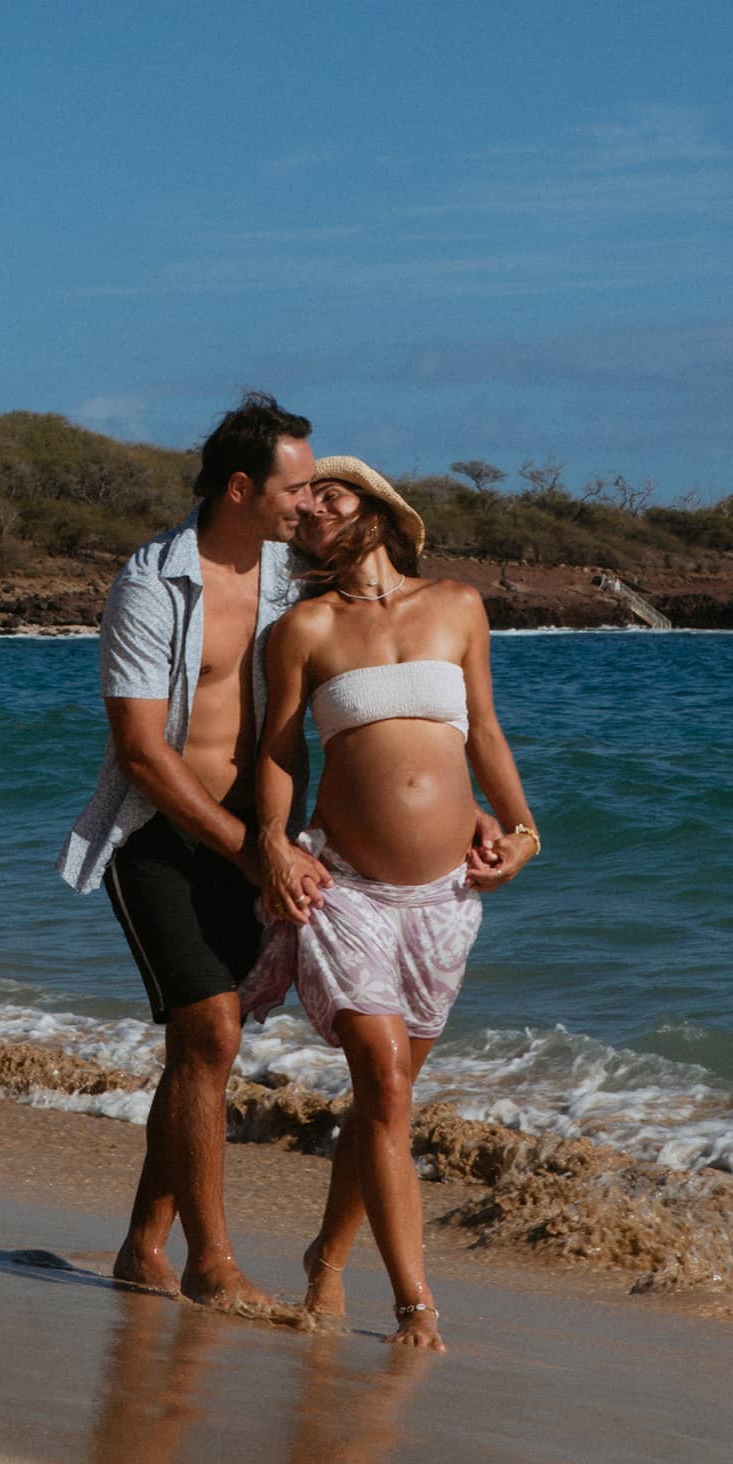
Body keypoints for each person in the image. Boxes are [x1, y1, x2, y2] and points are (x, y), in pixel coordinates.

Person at [243, 457, 539, 1352]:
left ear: (375, 510)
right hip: (347, 887)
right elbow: (280, 752)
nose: (315, 509)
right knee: (383, 1078)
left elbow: (482, 730)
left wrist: (523, 832)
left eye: (331, 494)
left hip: (446, 895)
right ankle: (416, 1305)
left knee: (391, 1099)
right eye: (304, 505)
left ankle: (327, 1261)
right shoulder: (303, 628)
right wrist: (272, 840)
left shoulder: (457, 604)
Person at [56, 392, 327, 1308]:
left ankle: (142, 1246)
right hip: (160, 838)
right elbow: (142, 750)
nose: (310, 502)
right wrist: (251, 853)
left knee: (202, 1048)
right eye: (298, 487)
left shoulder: (296, 581)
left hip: (259, 839)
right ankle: (213, 1262)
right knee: (209, 1031)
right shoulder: (150, 582)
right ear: (243, 488)